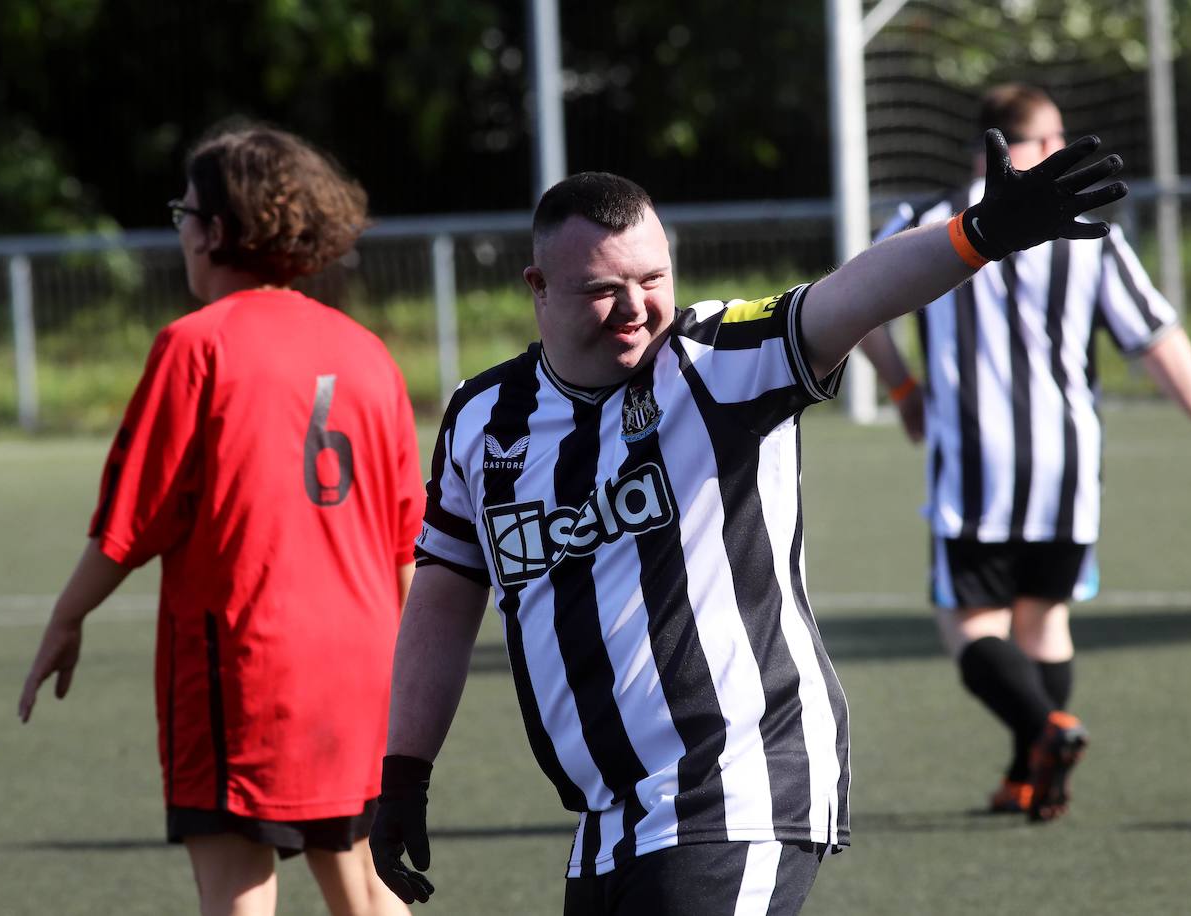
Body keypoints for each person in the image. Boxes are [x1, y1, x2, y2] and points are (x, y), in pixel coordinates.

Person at [369, 133, 1128, 913]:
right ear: (537, 285)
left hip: (738, 786)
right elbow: (444, 596)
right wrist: (404, 773)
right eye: (603, 288)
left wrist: (978, 234)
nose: (635, 308)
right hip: (607, 819)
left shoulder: (720, 359)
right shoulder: (483, 419)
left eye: (652, 278)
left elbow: (854, 296)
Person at [18, 124, 425, 916]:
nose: (180, 232)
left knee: (237, 890)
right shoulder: (369, 353)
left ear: (214, 231)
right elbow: (405, 542)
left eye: (184, 213)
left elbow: (133, 521)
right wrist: (402, 679)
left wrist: (67, 616)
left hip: (246, 665)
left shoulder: (195, 345)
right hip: (359, 666)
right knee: (364, 891)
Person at [857, 83, 1191, 823]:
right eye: (1056, 138)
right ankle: (1029, 774)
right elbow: (1154, 337)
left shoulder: (922, 221)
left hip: (974, 465)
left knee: (970, 626)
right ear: (1025, 148)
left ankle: (1044, 731)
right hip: (1067, 466)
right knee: (1045, 623)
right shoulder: (1088, 231)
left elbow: (863, 306)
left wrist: (905, 388)